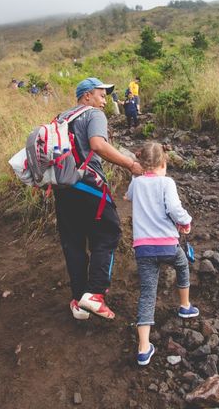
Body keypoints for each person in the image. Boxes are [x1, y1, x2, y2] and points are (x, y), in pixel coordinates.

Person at [55, 77, 144, 321]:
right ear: (87, 96)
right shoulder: (93, 114)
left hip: (62, 189)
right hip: (89, 186)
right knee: (109, 232)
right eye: (101, 95)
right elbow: (98, 145)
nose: (105, 101)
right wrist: (130, 164)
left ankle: (78, 301)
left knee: (73, 243)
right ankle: (95, 294)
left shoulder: (62, 117)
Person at [125, 142, 198, 366]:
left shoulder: (136, 183)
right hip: (167, 245)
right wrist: (185, 222)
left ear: (142, 164)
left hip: (144, 249)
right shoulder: (167, 182)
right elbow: (174, 209)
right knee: (182, 264)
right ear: (163, 164)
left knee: (148, 292)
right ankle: (185, 306)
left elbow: (128, 197)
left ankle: (144, 347)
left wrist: (134, 176)